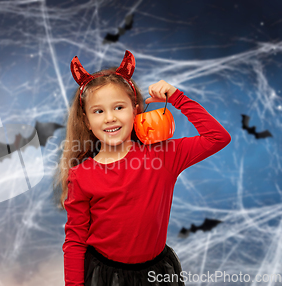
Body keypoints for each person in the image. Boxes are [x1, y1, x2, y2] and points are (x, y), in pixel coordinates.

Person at [53, 50, 231, 286]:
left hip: (157, 274)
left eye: (118, 107)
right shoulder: (81, 174)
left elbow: (218, 137)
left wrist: (177, 98)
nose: (109, 118)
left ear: (135, 109)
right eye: (98, 111)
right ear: (86, 120)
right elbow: (75, 240)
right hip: (105, 276)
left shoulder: (164, 155)